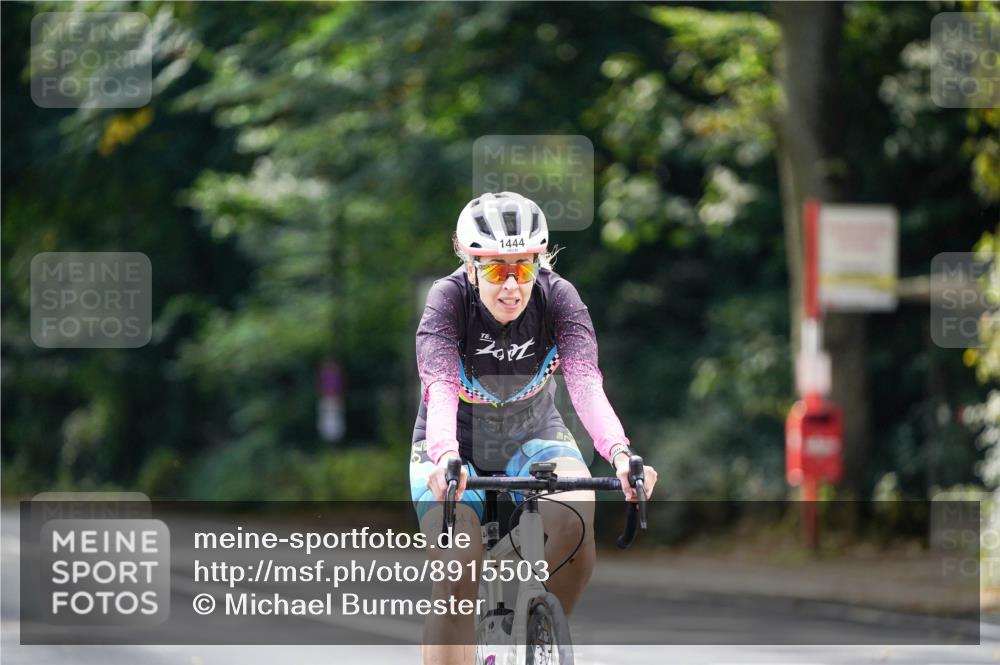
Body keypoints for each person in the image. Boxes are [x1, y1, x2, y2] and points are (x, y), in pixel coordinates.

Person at [410, 191, 658, 664]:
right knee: (458, 567)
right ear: (469, 264)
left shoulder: (559, 298)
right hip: (451, 445)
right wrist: (444, 455)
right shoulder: (448, 300)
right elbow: (439, 386)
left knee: (578, 513)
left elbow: (585, 383)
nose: (511, 286)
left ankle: (535, 637)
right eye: (496, 269)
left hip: (533, 435)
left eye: (523, 268)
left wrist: (621, 454)